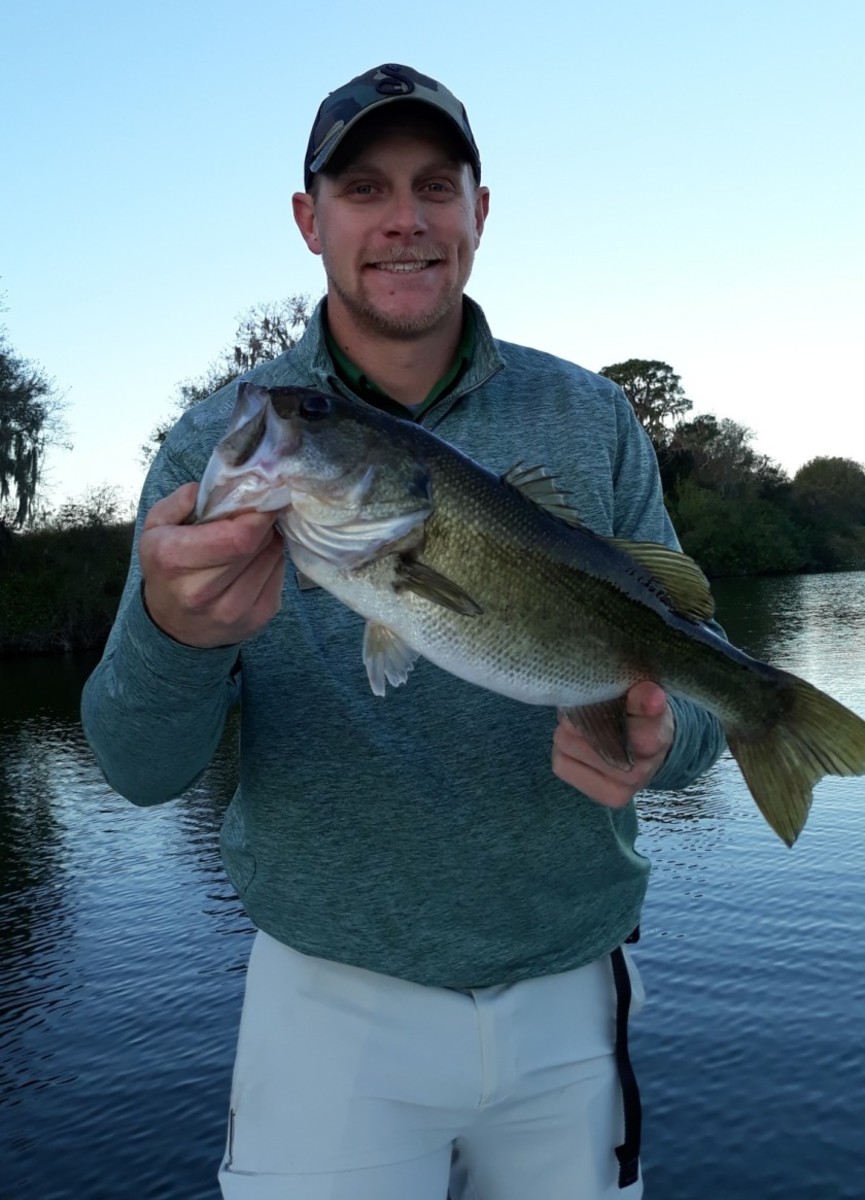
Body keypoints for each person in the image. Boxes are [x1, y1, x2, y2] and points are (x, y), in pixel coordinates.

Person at [81, 63, 725, 1200]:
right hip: (327, 1006)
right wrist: (175, 643)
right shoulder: (224, 444)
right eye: (365, 188)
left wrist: (653, 742)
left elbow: (691, 710)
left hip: (572, 988)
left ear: (480, 211)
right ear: (309, 218)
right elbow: (135, 769)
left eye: (437, 186)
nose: (405, 220)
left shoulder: (590, 417)